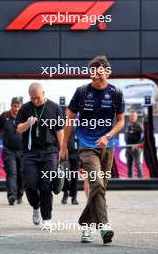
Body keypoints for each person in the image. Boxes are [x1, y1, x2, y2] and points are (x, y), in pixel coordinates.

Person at [61, 55, 125, 244]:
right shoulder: (81, 92)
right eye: (93, 75)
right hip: (86, 145)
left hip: (108, 146)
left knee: (101, 187)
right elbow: (70, 119)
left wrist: (108, 136)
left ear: (108, 72)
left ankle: (86, 225)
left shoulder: (116, 93)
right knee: (96, 183)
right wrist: (63, 146)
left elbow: (121, 121)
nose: (96, 78)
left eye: (99, 74)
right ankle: (104, 226)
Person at [16, 83, 64, 229]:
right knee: (30, 185)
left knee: (46, 185)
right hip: (30, 153)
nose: (35, 101)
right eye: (32, 98)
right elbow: (18, 129)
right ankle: (36, 206)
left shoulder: (55, 107)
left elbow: (59, 130)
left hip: (49, 152)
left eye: (37, 97)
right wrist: (28, 123)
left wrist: (61, 150)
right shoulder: (25, 108)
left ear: (43, 93)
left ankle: (47, 218)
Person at [0, 97, 23, 205]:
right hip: (8, 150)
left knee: (21, 174)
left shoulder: (24, 117)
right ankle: (11, 195)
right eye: (14, 106)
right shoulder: (4, 116)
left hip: (22, 151)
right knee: (11, 172)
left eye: (18, 106)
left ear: (21, 106)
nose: (16, 108)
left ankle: (19, 194)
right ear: (11, 106)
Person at [61, 128, 80, 205]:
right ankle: (65, 192)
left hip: (76, 153)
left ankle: (74, 197)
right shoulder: (63, 123)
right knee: (64, 174)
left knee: (74, 176)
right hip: (65, 152)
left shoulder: (80, 123)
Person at [125, 111, 144, 178]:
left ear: (136, 117)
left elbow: (144, 137)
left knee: (137, 163)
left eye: (134, 116)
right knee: (129, 164)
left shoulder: (139, 126)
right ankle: (129, 180)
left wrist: (137, 145)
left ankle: (141, 179)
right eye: (131, 116)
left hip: (136, 148)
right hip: (128, 147)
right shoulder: (128, 125)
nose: (132, 117)